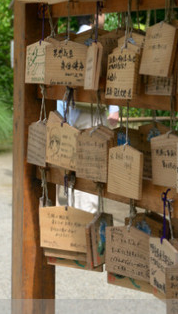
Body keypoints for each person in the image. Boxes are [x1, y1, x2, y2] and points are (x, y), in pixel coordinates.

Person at [57, 14, 119, 212]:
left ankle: (72, 219)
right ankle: (87, 222)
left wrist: (60, 117)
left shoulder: (69, 42)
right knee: (91, 173)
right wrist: (114, 107)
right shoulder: (100, 42)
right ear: (95, 15)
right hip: (91, 116)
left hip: (69, 114)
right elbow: (113, 76)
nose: (105, 16)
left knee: (71, 171)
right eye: (102, 13)